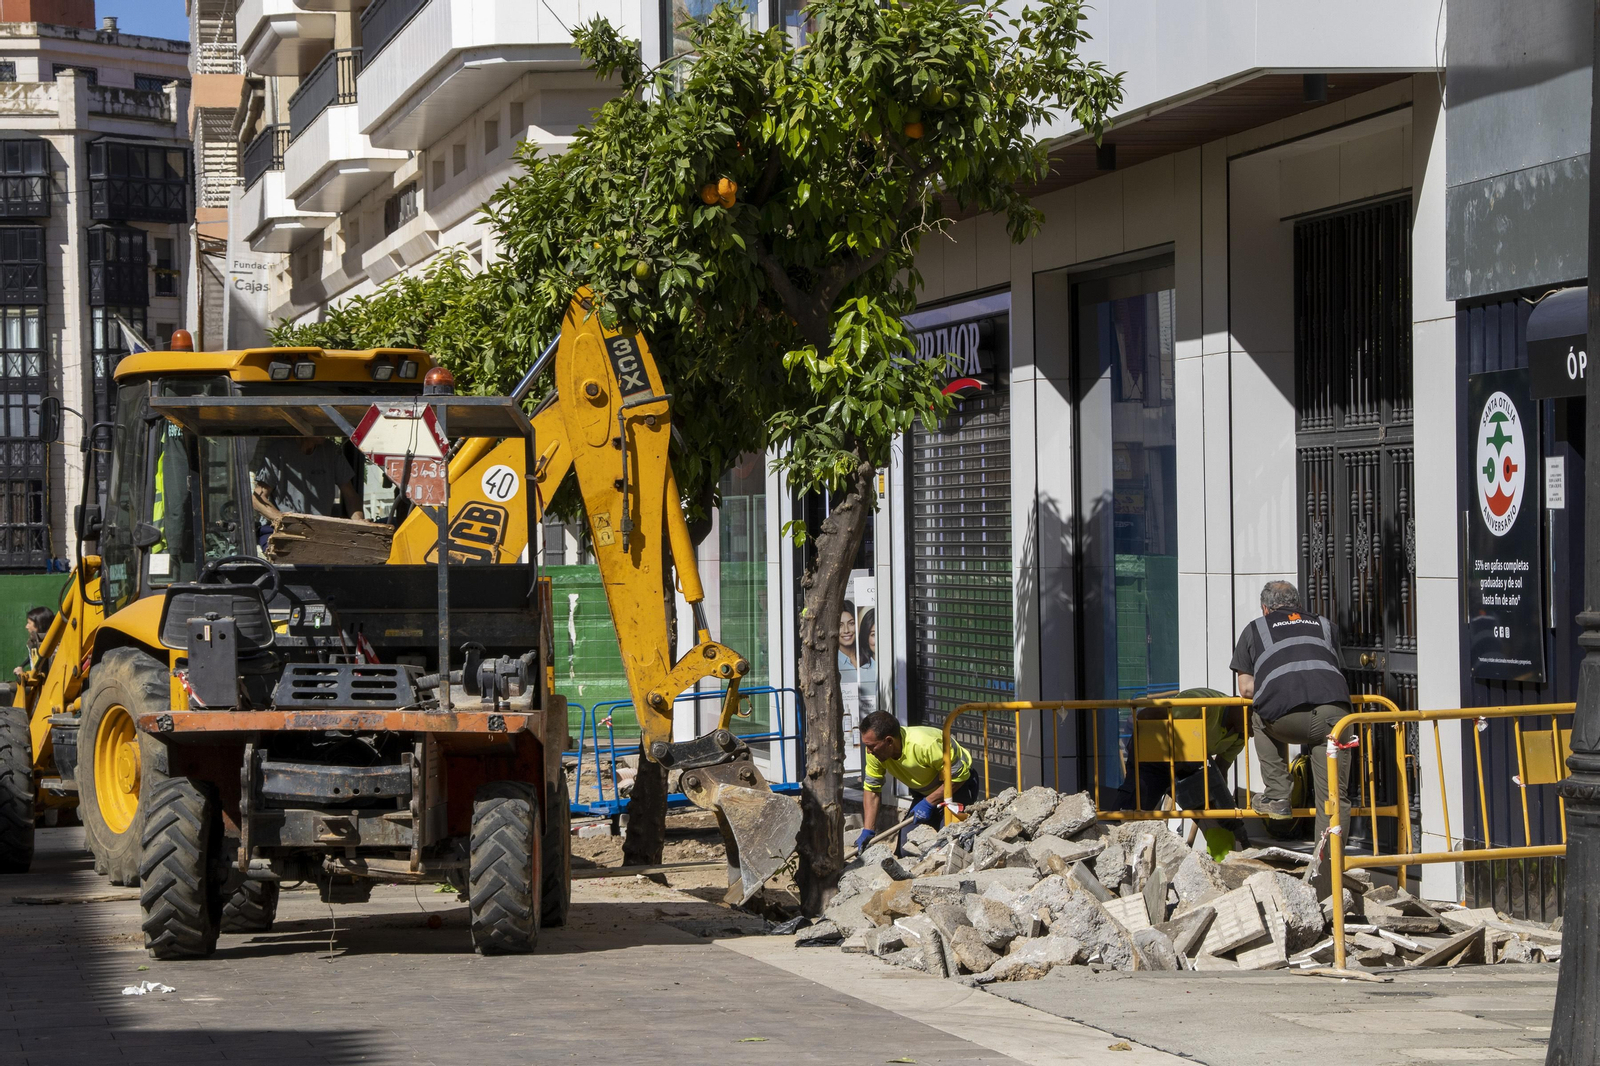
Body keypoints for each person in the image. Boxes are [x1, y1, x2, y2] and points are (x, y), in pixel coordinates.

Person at [1230, 579, 1353, 849]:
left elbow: (1247, 689)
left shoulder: (1255, 629)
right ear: (1298, 605)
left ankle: (1277, 796)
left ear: (1265, 608)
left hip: (1286, 717)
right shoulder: (1324, 625)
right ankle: (1329, 876)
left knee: (1259, 717)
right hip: (1337, 715)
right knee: (1333, 796)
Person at [1107, 687, 1249, 861]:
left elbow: (1220, 772)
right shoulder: (1204, 704)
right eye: (1255, 724)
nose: (1255, 734)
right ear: (1244, 708)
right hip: (1152, 761)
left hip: (1188, 767)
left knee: (1221, 823)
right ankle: (1110, 860)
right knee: (1128, 817)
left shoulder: (1241, 734)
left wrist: (1222, 805)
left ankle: (1224, 872)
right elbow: (1146, 716)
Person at [853, 710, 977, 856]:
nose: (868, 751)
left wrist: (929, 803)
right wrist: (868, 829)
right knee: (907, 848)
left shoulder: (925, 744)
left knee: (949, 845)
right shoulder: (875, 753)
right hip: (924, 795)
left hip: (958, 788)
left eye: (871, 746)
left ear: (889, 741)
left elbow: (959, 776)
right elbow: (872, 790)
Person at [251, 437, 363, 523]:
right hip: (278, 528)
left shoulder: (332, 450)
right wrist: (284, 521)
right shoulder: (278, 450)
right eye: (320, 423)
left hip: (320, 530)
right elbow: (257, 499)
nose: (325, 429)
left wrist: (359, 521)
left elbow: (351, 496)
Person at [13, 605, 54, 680]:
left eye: (29, 623)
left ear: (39, 625)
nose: (26, 626)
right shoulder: (34, 642)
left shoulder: (48, 646)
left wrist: (23, 675)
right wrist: (22, 666)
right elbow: (33, 656)